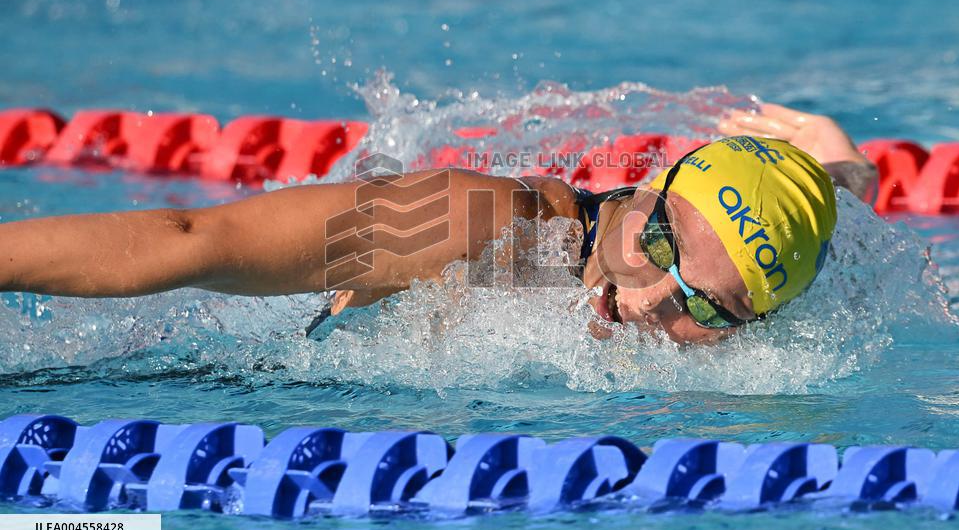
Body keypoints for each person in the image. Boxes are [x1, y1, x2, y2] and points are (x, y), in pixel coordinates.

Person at [0, 103, 876, 345]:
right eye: (657, 245)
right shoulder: (483, 227)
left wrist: (845, 168)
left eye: (709, 311)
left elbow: (847, 227)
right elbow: (197, 243)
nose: (652, 303)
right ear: (648, 186)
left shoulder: (775, 291)